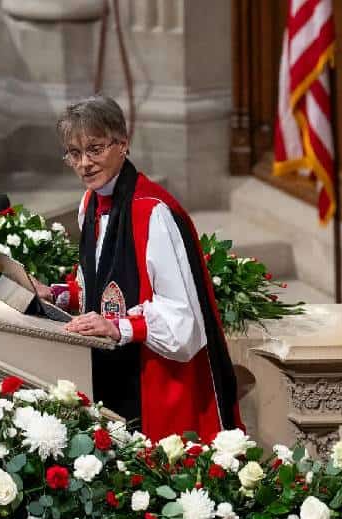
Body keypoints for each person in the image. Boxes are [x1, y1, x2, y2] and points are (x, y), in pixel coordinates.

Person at [52, 95, 241, 443]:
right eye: (74, 153)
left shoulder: (153, 213)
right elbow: (100, 281)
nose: (84, 164)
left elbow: (182, 321)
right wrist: (60, 295)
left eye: (95, 149)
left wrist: (118, 326)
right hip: (109, 370)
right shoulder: (89, 204)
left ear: (123, 144)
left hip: (158, 382)